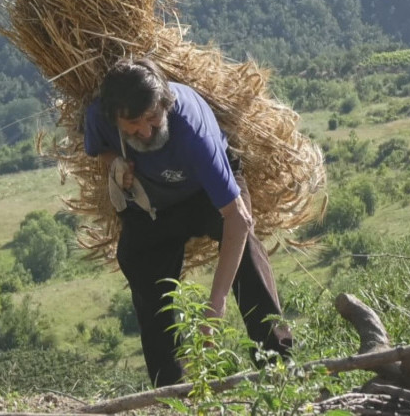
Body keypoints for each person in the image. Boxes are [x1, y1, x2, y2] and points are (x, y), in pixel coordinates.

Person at [84, 57, 293, 387]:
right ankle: (171, 387)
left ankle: (278, 365)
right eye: (133, 126)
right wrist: (117, 164)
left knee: (246, 252)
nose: (147, 131)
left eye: (152, 118)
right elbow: (100, 151)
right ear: (116, 119)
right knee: (138, 261)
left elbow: (236, 219)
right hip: (155, 200)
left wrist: (216, 304)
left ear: (164, 103)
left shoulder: (193, 134)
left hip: (205, 193)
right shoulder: (99, 115)